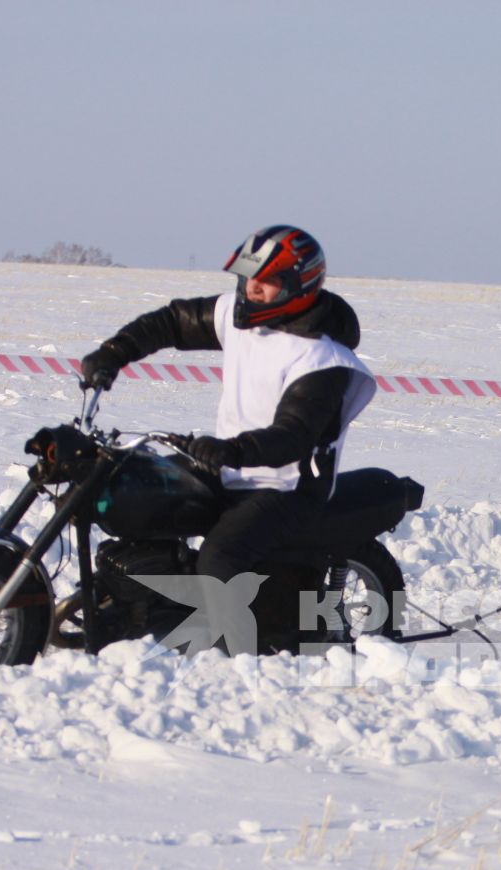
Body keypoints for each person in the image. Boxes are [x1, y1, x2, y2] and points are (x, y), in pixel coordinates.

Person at [78, 225, 377, 653]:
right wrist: (115, 351)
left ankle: (242, 663)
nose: (252, 287)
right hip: (231, 466)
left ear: (300, 286)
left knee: (219, 561)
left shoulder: (321, 358)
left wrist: (231, 450)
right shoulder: (241, 317)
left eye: (267, 281)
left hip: (287, 485)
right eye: (247, 276)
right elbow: (173, 322)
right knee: (150, 499)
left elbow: (293, 435)